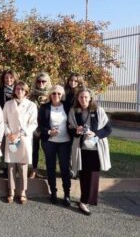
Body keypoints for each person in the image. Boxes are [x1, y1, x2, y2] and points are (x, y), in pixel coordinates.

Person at [68, 88, 111, 216]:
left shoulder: (98, 111)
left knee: (93, 175)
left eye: (86, 97)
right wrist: (76, 131)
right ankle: (84, 200)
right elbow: (69, 129)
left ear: (90, 98)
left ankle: (86, 201)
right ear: (78, 98)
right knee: (83, 175)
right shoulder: (74, 111)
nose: (84, 100)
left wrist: (96, 133)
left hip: (96, 149)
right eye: (81, 97)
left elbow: (108, 129)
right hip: (81, 149)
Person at [3, 81, 38, 204]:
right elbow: (3, 121)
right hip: (11, 138)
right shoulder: (8, 104)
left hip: (23, 138)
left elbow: (33, 123)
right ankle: (11, 191)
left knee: (23, 166)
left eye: (22, 90)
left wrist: (20, 133)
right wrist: (8, 133)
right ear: (14, 90)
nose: (20, 91)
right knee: (11, 166)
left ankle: (22, 192)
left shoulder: (31, 105)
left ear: (26, 91)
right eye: (17, 89)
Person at [38, 85, 72, 206]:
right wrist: (48, 131)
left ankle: (67, 194)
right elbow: (40, 124)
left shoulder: (67, 106)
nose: (56, 96)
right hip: (50, 142)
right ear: (50, 95)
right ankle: (53, 192)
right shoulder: (44, 107)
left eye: (58, 94)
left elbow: (73, 121)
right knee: (50, 168)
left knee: (64, 168)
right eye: (53, 93)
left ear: (62, 95)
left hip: (65, 142)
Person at [28, 72, 52, 178]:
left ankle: (49, 170)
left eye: (43, 81)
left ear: (47, 82)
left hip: (47, 127)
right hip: (34, 127)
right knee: (34, 149)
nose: (41, 83)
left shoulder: (52, 95)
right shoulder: (31, 96)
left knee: (48, 150)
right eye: (39, 81)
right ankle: (34, 169)